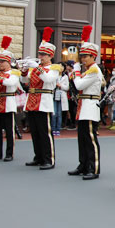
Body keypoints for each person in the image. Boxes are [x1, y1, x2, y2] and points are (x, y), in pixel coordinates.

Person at [68, 26, 104, 180]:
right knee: (82, 138)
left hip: (90, 106)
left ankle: (93, 167)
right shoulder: (87, 70)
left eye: (86, 56)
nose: (83, 59)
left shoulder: (94, 70)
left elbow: (80, 85)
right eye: (81, 56)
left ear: (93, 56)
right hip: (83, 105)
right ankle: (83, 164)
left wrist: (75, 72)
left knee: (90, 139)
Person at [21, 28, 60, 170]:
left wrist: (37, 67)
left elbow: (49, 80)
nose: (41, 56)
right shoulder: (36, 67)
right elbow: (24, 80)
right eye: (40, 54)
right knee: (35, 131)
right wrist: (25, 69)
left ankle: (48, 159)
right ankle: (38, 157)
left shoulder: (54, 68)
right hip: (32, 100)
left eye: (44, 54)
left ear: (50, 56)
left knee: (45, 132)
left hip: (44, 100)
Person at [51, 63, 69, 136]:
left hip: (61, 95)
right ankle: (53, 128)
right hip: (54, 95)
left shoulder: (65, 77)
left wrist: (60, 85)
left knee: (59, 113)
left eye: (61, 66)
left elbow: (67, 87)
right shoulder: (53, 76)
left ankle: (58, 128)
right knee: (54, 113)